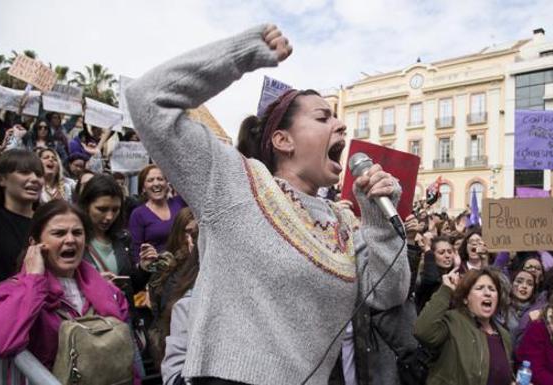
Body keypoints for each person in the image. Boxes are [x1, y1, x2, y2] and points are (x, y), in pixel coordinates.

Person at [126, 24, 409, 384]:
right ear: (282, 140)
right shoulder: (236, 183)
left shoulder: (343, 222)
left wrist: (380, 221)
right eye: (323, 118)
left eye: (337, 119)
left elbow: (388, 293)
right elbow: (146, 99)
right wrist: (239, 55)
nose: (341, 126)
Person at [0, 200, 138, 383]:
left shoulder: (110, 292)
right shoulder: (11, 291)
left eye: (77, 233)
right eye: (59, 233)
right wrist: (33, 280)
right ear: (35, 243)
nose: (70, 240)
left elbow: (126, 361)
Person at [414, 267, 512, 385]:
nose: (487, 293)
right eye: (480, 288)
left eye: (492, 289)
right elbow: (423, 332)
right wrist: (446, 290)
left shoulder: (504, 335)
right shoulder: (452, 321)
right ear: (466, 298)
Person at [77, 174, 151, 293]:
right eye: (102, 209)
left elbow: (133, 287)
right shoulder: (74, 241)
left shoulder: (124, 238)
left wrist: (144, 268)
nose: (109, 217)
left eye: (115, 210)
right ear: (86, 205)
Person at [0, 149, 44, 294]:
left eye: (39, 174)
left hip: (39, 308)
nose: (35, 179)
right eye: (24, 172)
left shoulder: (47, 221)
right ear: (1, 180)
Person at [147, 207, 199, 369]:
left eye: (196, 233)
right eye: (187, 232)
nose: (191, 239)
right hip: (174, 345)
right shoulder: (169, 268)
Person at [128, 164, 186, 262]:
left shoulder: (180, 203)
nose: (156, 183)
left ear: (167, 183)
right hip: (157, 271)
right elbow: (136, 253)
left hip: (185, 268)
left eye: (160, 179)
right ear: (143, 188)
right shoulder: (138, 214)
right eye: (150, 180)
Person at [415, 236, 457, 313]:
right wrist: (428, 250)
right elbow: (432, 279)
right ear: (432, 255)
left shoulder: (456, 275)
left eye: (450, 252)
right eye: (441, 252)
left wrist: (457, 267)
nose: (447, 256)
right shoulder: (426, 276)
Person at [501, 269, 537, 346]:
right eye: (519, 281)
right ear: (511, 284)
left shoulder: (536, 312)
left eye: (529, 284)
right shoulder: (502, 307)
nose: (524, 286)